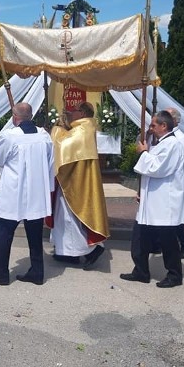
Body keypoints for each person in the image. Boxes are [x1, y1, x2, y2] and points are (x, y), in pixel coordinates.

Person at [0, 102, 55, 286]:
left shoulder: (10, 136)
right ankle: (37, 272)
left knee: (3, 231)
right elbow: (50, 162)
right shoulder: (44, 135)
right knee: (35, 233)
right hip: (37, 193)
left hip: (15, 192)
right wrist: (48, 188)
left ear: (15, 117)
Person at [120, 110, 184, 288]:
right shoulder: (160, 143)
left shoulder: (173, 144)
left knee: (167, 240)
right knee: (140, 236)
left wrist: (143, 153)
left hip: (164, 201)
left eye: (153, 125)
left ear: (164, 126)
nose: (150, 128)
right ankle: (141, 271)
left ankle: (174, 275)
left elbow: (158, 168)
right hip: (151, 199)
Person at [48, 101, 109, 271]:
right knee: (63, 217)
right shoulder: (81, 128)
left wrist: (58, 129)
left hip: (75, 183)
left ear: (82, 113)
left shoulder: (84, 128)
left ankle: (92, 250)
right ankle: (68, 253)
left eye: (73, 110)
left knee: (71, 217)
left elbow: (61, 146)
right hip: (70, 178)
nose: (70, 113)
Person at [166, 107, 184, 259]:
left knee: (177, 218)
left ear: (175, 120)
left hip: (175, 183)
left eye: (167, 116)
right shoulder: (170, 135)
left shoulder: (179, 138)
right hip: (170, 183)